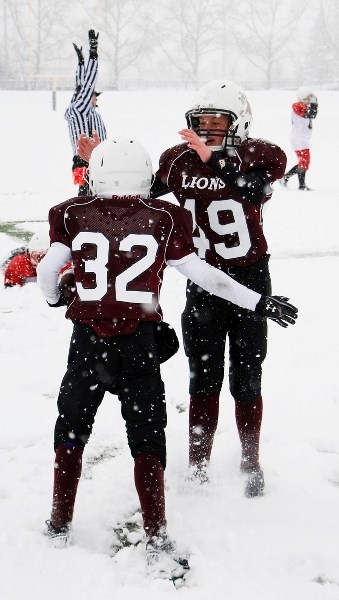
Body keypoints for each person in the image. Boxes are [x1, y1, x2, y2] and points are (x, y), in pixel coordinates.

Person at [37, 138, 296, 577]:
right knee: (147, 438)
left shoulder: (73, 213)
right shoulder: (162, 217)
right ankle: (156, 531)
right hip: (139, 344)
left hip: (88, 346)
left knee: (72, 428)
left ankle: (59, 520)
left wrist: (53, 298)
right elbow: (203, 274)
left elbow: (47, 271)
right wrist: (256, 301)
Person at [149, 79, 292, 497]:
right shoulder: (177, 161)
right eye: (202, 121)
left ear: (239, 122)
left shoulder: (259, 155)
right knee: (203, 379)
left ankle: (250, 458)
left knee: (248, 378)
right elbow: (143, 192)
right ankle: (198, 464)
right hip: (203, 281)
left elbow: (252, 188)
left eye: (217, 121)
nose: (208, 129)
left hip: (250, 276)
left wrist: (215, 158)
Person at [65, 29, 107, 196]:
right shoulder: (80, 109)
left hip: (93, 158)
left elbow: (81, 85)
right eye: (94, 96)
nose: (96, 99)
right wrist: (93, 53)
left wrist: (82, 63)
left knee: (92, 195)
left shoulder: (83, 110)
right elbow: (87, 84)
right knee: (89, 196)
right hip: (88, 159)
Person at [283, 87, 318, 191]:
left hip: (302, 138)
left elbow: (313, 114)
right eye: (308, 97)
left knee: (304, 162)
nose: (309, 99)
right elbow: (311, 114)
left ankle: (288, 179)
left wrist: (314, 104)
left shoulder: (305, 106)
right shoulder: (297, 105)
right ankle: (298, 183)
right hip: (299, 139)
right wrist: (314, 104)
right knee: (304, 162)